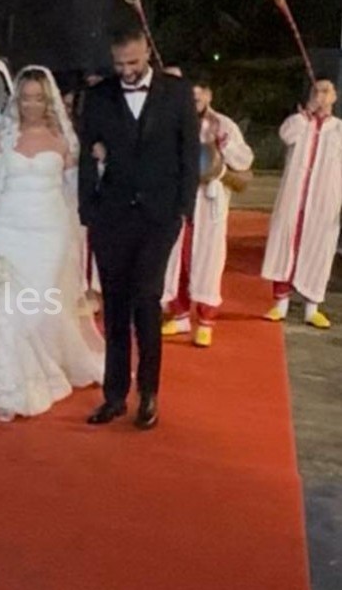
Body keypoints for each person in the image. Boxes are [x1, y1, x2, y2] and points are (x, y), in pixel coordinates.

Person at [0, 65, 105, 422]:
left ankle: (43, 367)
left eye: (38, 98)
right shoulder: (2, 138)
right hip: (7, 232)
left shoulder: (65, 140)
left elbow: (73, 195)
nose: (31, 105)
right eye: (25, 98)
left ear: (49, 100)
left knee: (40, 308)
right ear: (16, 99)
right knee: (10, 311)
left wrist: (79, 240)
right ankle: (13, 384)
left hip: (50, 233)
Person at [77, 29, 200, 429]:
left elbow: (188, 153)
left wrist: (183, 208)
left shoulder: (178, 92)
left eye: (133, 63)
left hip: (159, 215)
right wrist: (88, 210)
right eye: (119, 65)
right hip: (110, 215)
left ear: (148, 50)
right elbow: (85, 157)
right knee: (113, 305)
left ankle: (149, 394)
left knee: (145, 299)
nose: (126, 71)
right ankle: (114, 396)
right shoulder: (97, 96)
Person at [162, 82, 254, 346]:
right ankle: (178, 315)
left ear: (209, 94)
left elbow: (244, 161)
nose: (194, 100)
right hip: (179, 200)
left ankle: (205, 321)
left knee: (207, 260)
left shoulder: (223, 125)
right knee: (176, 258)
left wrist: (223, 147)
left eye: (198, 94)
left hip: (208, 201)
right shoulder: (174, 121)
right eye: (189, 95)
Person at [261, 78, 342, 328]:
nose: (321, 96)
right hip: (295, 197)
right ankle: (280, 303)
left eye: (326, 91)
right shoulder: (299, 122)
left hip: (324, 200)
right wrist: (306, 114)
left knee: (318, 249)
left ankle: (312, 306)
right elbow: (286, 136)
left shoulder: (339, 129)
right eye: (316, 91)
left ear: (335, 97)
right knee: (286, 244)